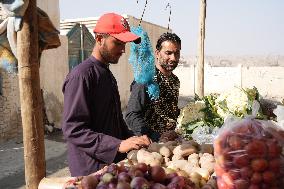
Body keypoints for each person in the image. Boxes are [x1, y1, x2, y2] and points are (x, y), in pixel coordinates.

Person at [62, 12, 151, 177]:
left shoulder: (108, 75)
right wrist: (116, 145)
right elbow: (73, 129)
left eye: (125, 44)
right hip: (90, 170)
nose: (123, 50)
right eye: (117, 43)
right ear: (99, 39)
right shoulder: (81, 76)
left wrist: (133, 139)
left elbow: (116, 121)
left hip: (111, 166)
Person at [125, 32, 181, 142]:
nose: (173, 58)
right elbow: (132, 115)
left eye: (177, 53)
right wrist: (155, 136)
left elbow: (169, 111)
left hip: (171, 142)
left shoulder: (175, 81)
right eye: (168, 53)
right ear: (157, 53)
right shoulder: (145, 79)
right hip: (150, 145)